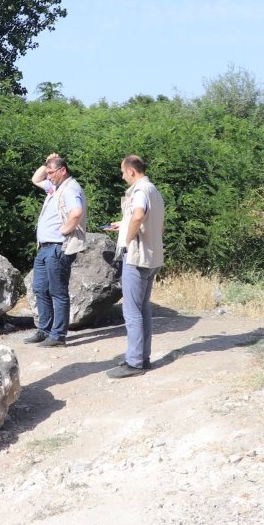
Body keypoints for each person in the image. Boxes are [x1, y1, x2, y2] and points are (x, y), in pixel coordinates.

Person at [105, 154, 165, 378]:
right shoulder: (154, 190)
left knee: (131, 311)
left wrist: (128, 239)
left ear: (131, 171)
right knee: (143, 309)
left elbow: (138, 216)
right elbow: (154, 222)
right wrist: (123, 225)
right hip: (152, 257)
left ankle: (134, 363)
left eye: (123, 172)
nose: (122, 177)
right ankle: (142, 357)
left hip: (136, 257)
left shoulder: (139, 190)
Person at [23, 153, 88, 348]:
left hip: (58, 247)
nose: (48, 175)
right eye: (48, 172)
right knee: (40, 289)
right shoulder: (55, 187)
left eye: (52, 172)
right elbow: (36, 179)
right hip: (45, 248)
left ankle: (58, 336)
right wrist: (47, 161)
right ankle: (44, 330)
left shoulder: (70, 189)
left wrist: (64, 230)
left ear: (63, 171)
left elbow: (76, 212)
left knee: (58, 292)